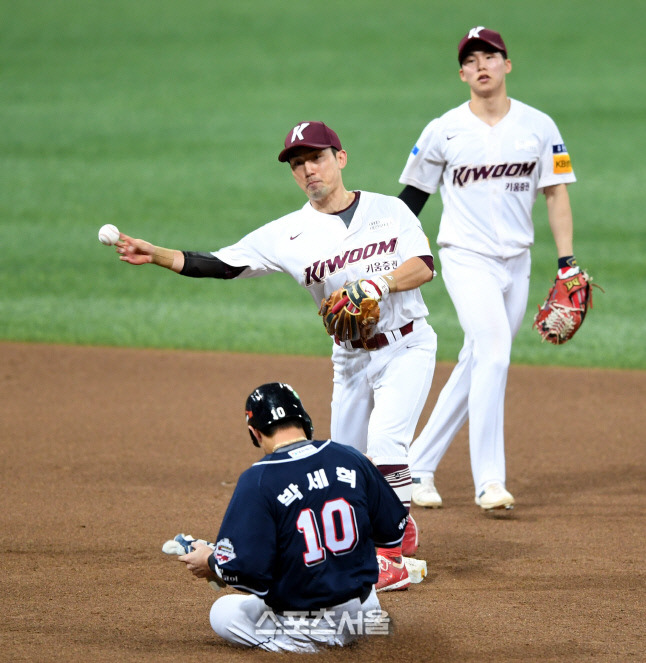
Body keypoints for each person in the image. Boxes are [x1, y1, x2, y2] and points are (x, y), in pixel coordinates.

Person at [116, 121, 438, 587]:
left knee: (387, 442)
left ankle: (389, 559)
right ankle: (399, 526)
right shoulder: (287, 234)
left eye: (317, 158)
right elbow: (223, 264)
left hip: (407, 344)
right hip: (350, 359)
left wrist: (376, 283)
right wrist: (159, 254)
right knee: (346, 462)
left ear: (340, 158)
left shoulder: (391, 210)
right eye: (298, 164)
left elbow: (423, 266)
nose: (309, 170)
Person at [398, 27, 579, 511]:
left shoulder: (539, 126)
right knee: (495, 352)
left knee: (477, 359)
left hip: (516, 262)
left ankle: (416, 466)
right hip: (465, 256)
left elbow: (556, 193)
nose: (482, 65)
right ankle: (489, 481)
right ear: (462, 73)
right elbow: (413, 198)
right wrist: (385, 250)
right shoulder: (445, 129)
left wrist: (567, 262)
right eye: (472, 59)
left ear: (507, 65)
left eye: (490, 56)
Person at [176, 382, 408, 652]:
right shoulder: (350, 456)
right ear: (304, 422)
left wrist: (210, 561)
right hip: (365, 615)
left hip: (308, 627)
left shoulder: (258, 479)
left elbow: (245, 570)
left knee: (222, 613)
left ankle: (301, 648)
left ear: (255, 433)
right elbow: (392, 530)